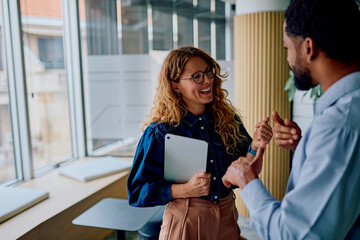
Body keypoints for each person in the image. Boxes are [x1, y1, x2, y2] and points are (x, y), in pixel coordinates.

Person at [222, 0, 360, 239]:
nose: (287, 58)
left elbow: (293, 234)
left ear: (308, 48)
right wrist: (305, 146)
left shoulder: (340, 124)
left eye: (287, 48)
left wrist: (247, 180)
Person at [127, 46, 272, 240]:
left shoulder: (228, 121)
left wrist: (256, 146)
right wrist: (184, 190)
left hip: (227, 216)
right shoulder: (159, 132)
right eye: (196, 76)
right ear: (176, 86)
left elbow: (244, 172)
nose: (208, 80)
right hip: (185, 222)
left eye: (208, 72)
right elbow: (137, 191)